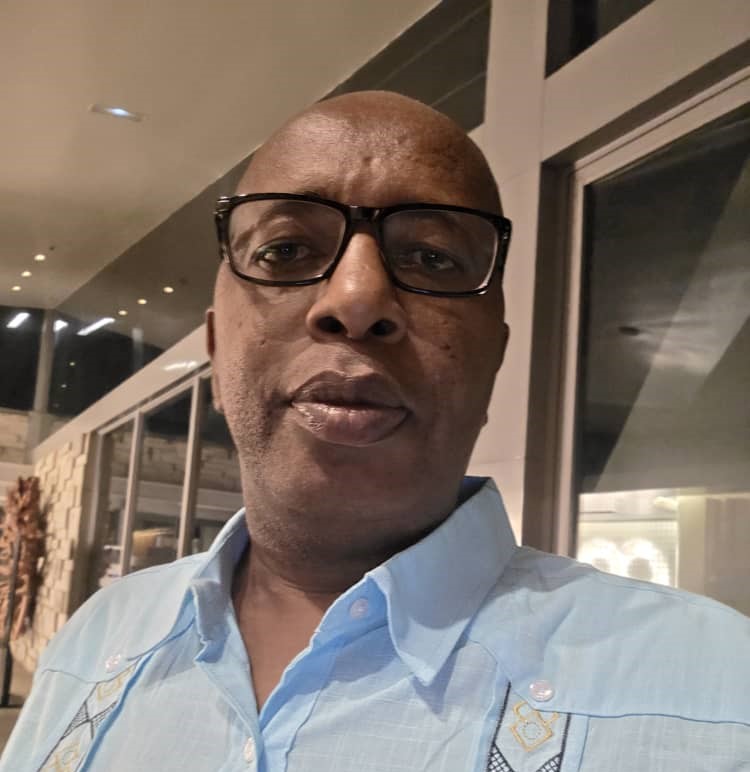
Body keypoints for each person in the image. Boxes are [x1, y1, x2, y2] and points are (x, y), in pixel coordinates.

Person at [2, 91, 748, 772]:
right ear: (217, 348)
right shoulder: (95, 642)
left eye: (430, 256)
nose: (357, 300)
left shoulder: (718, 694)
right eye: (287, 250)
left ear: (494, 359)